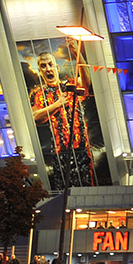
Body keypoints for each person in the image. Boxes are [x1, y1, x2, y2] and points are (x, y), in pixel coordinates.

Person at [29, 45, 97, 189]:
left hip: (81, 147)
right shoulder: (38, 94)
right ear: (40, 71)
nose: (48, 69)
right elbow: (36, 116)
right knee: (63, 189)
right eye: (43, 66)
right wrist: (57, 104)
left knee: (86, 186)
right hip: (60, 151)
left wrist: (77, 53)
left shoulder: (70, 87)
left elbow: (86, 82)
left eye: (50, 65)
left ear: (57, 68)